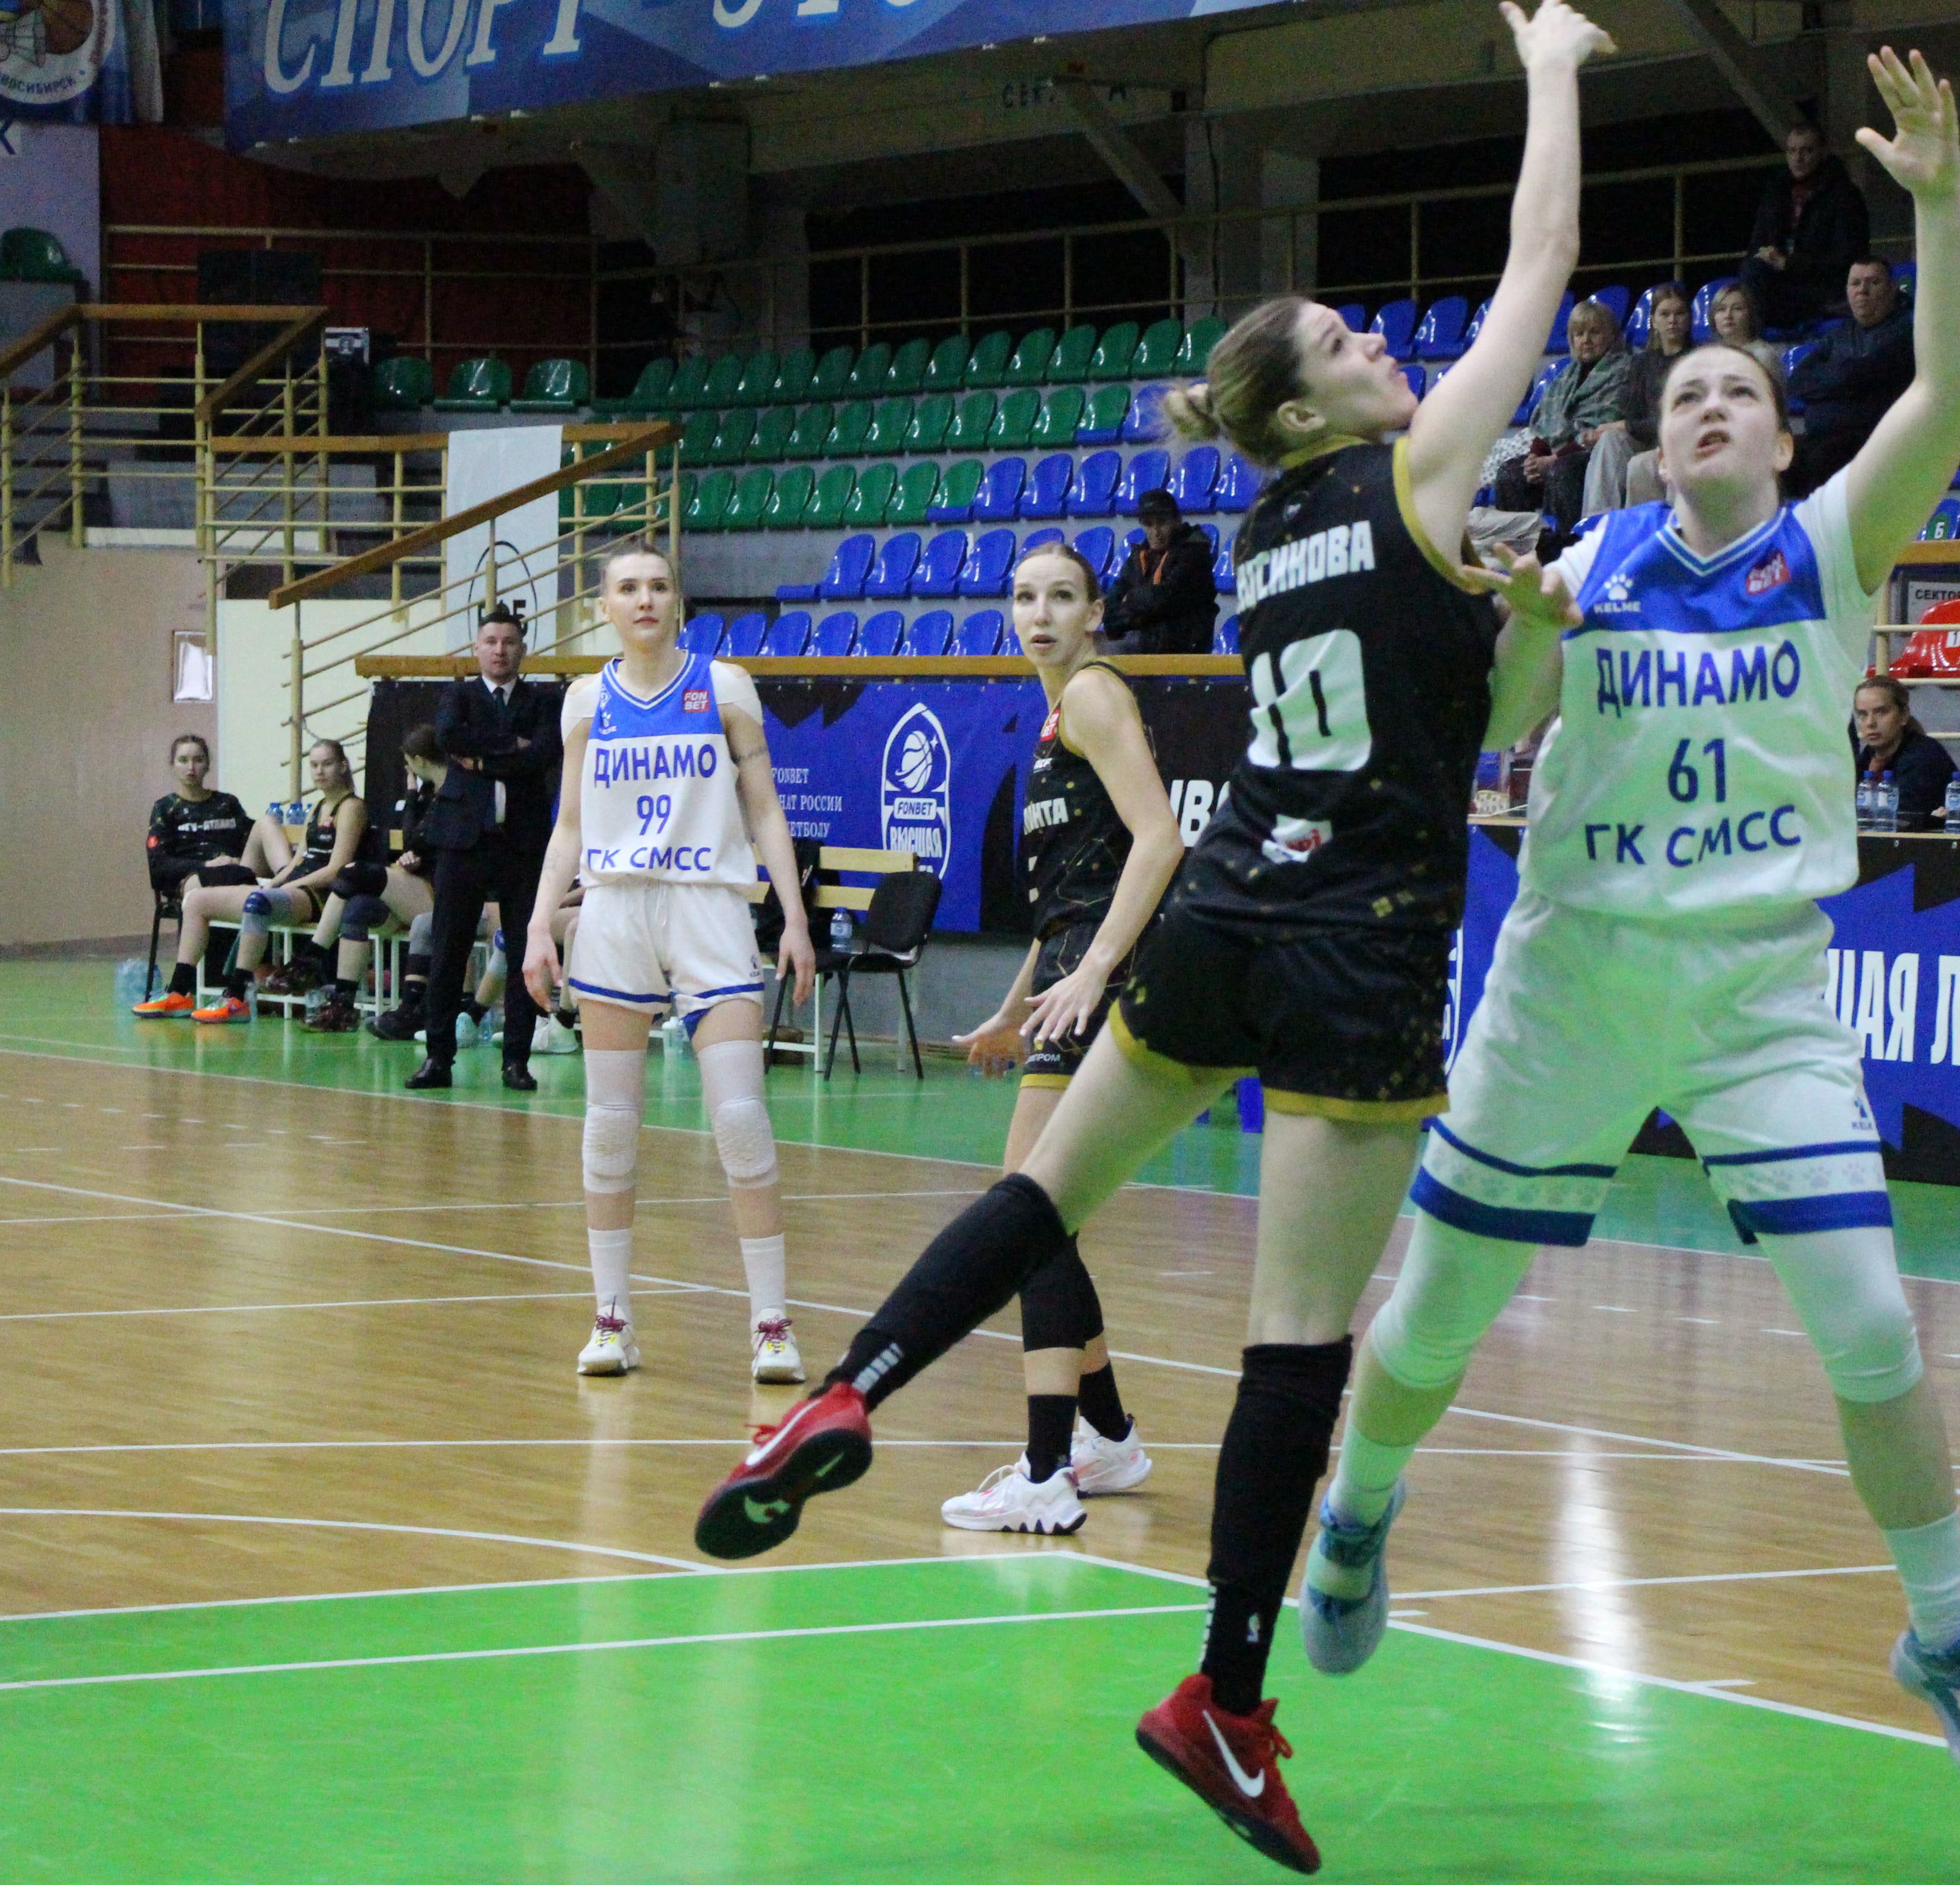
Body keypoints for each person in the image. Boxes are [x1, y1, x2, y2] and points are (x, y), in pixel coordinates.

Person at [691, 5, 1610, 1869]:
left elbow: (1479, 702)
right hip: (1359, 937)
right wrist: (1550, 72)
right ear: (1313, 410)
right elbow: (1545, 259)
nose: (1387, 345)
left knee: (1045, 1194)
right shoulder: (1415, 475)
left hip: (1226, 903)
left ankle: (845, 1389)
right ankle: (1225, 1702)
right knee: (1296, 1341)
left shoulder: (1267, 536)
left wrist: (1531, 622)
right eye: (1350, 343)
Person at [1312, 46, 1960, 1806]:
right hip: (1572, 977)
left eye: (1740, 389)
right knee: (1432, 1317)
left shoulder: (1829, 548)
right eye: (1689, 392)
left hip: (1757, 992)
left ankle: (1947, 1630)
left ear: (1787, 438)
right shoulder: (1591, 565)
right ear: (1654, 439)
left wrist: (1941, 201)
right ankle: (1354, 1512)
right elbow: (1497, 733)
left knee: (1871, 1325)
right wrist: (1521, 627)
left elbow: (1950, 387)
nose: (1710, 403)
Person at [520, 541, 818, 1384]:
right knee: (611, 1126)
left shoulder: (724, 687)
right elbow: (569, 827)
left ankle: (771, 1325)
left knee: (742, 1119)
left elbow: (766, 810)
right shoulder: (586, 701)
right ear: (604, 607)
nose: (645, 599)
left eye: (658, 586)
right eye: (628, 588)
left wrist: (794, 918)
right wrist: (540, 923)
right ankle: (612, 1319)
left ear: (678, 602)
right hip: (615, 910)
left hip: (708, 909)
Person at [935, 541, 1184, 1535]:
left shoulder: (1090, 694)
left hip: (1113, 973)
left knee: (1029, 1213)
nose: (1040, 613)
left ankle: (1047, 1471)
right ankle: (1106, 1435)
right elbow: (1067, 903)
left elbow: (1160, 838)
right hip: (1081, 970)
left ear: (1094, 614)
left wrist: (1093, 971)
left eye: (1062, 597)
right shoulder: (1054, 717)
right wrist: (1016, 1003)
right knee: (1047, 1219)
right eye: (1024, 596)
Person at [416, 601, 562, 1091]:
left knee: (524, 951)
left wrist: (480, 759)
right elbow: (448, 736)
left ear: (523, 649)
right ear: (477, 649)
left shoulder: (543, 702)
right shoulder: (458, 696)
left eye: (509, 642)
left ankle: (516, 1059)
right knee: (448, 949)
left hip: (522, 841)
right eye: (491, 642)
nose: (500, 650)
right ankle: (438, 1058)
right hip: (462, 840)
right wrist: (509, 747)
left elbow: (544, 753)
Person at [133, 740, 367, 1021]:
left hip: (319, 895)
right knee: (196, 901)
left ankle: (236, 997)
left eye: (327, 764)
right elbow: (297, 862)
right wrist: (276, 883)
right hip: (293, 888)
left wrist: (287, 886)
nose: (319, 772)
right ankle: (179, 992)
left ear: (343, 766)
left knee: (257, 903)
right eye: (314, 765)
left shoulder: (351, 807)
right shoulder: (318, 807)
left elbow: (337, 869)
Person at [302, 725, 445, 1034]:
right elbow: (412, 840)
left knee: (354, 872)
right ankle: (343, 1006)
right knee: (358, 909)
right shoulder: (427, 793)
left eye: (409, 765)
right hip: (415, 885)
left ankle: (313, 958)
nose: (408, 771)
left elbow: (423, 839)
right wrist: (412, 793)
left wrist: (418, 852)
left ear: (420, 761)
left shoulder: (451, 793)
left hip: (441, 890)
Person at [1787, 256, 1915, 493]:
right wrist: (1845, 380)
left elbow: (1863, 373)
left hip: (1879, 441)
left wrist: (1833, 381)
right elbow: (1798, 381)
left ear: (1892, 290)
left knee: (1822, 459)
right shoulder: (1839, 335)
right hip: (1825, 438)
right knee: (1780, 459)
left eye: (1873, 283)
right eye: (1855, 283)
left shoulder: (1905, 332)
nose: (1862, 290)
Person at [1740, 119, 1872, 333]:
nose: (1798, 158)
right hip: (1783, 285)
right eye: (1792, 151)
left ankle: (1756, 338)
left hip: (1823, 288)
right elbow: (1757, 244)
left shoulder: (1845, 196)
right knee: (1751, 271)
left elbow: (1848, 259)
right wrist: (1765, 256)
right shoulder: (1776, 192)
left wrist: (1791, 264)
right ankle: (1750, 340)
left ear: (1823, 152)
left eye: (1807, 151)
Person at [1508, 297, 1629, 530]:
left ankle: (1567, 544)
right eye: (1579, 334)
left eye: (1594, 332)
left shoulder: (1624, 371)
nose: (1586, 340)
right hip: (1555, 456)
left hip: (1594, 455)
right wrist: (1535, 459)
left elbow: (1600, 427)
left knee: (1562, 471)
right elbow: (1546, 423)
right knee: (1510, 475)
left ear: (1610, 335)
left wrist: (1552, 461)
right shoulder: (1565, 376)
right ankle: (1520, 547)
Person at [1582, 280, 1691, 515]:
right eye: (1665, 314)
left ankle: (1641, 527)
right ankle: (1598, 522)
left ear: (1689, 318)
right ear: (1654, 321)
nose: (1672, 320)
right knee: (1609, 440)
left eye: (1679, 313)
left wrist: (1624, 425)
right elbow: (1632, 412)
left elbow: (1681, 419)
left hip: (1680, 440)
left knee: (1636, 461)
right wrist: (1615, 428)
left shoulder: (1696, 361)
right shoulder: (1642, 362)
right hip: (1646, 438)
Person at [1099, 490, 1219, 655]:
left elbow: (1166, 599)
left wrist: (1131, 599)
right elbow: (1112, 606)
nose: (1156, 532)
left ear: (1177, 521)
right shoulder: (1139, 556)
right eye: (1149, 524)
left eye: (1162, 523)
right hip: (1144, 643)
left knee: (1102, 655)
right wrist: (1137, 612)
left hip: (1180, 649)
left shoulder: (1195, 553)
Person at [144, 734, 250, 903]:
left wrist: (236, 862)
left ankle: (288, 877)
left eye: (198, 760)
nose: (191, 767)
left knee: (267, 823)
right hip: (192, 880)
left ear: (207, 765)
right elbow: (159, 865)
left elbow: (250, 841)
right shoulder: (165, 808)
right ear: (173, 765)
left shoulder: (228, 803)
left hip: (236, 874)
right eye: (183, 760)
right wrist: (206, 865)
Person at [1850, 674, 1959, 830]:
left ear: (1904, 715)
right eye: (1863, 714)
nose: (1870, 723)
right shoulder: (1868, 756)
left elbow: (1901, 818)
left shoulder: (1924, 756)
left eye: (1881, 712)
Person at [1706, 280, 1785, 376]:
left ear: (1751, 315)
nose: (1728, 316)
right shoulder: (1708, 356)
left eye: (1737, 309)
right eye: (1721, 309)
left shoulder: (1763, 357)